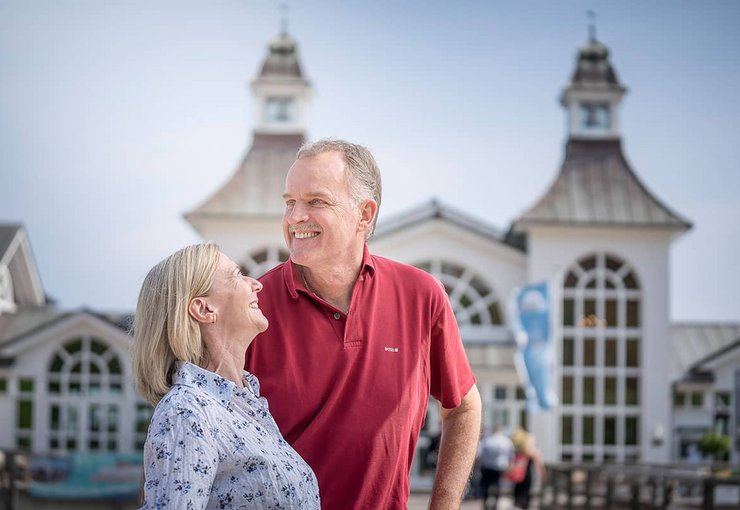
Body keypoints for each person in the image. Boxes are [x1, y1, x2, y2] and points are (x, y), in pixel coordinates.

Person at [245, 138, 482, 509]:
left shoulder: (421, 295)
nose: (294, 217)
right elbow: (195, 424)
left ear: (365, 214)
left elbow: (464, 407)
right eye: (290, 202)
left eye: (316, 201)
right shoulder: (251, 305)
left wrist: (444, 505)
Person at [133, 243, 320, 509]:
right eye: (236, 275)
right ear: (204, 309)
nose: (256, 284)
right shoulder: (186, 411)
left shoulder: (245, 406)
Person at [478, 425, 514, 510]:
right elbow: (511, 455)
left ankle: (485, 503)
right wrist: (510, 466)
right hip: (500, 467)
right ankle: (496, 504)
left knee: (486, 486)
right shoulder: (506, 441)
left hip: (487, 467)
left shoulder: (487, 440)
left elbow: (480, 454)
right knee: (498, 486)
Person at [509, 429, 545, 510]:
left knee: (519, 494)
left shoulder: (520, 451)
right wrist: (542, 475)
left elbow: (514, 463)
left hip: (521, 475)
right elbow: (540, 464)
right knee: (525, 494)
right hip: (528, 475)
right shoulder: (532, 452)